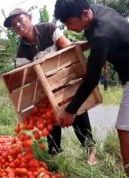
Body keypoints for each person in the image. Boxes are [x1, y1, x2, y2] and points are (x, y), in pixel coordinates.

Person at [3, 8, 97, 165]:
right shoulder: (21, 53)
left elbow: (67, 46)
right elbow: (29, 80)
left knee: (78, 113)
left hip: (66, 80)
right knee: (50, 121)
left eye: (20, 20)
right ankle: (54, 155)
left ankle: (91, 153)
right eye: (14, 24)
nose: (18, 25)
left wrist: (86, 45)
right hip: (46, 90)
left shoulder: (48, 28)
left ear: (30, 17)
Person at [54, 0, 129, 175]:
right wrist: (82, 45)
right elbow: (95, 38)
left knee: (124, 128)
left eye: (71, 23)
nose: (70, 28)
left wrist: (70, 110)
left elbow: (91, 80)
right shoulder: (97, 12)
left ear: (85, 14)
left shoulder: (101, 34)